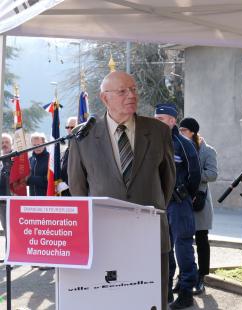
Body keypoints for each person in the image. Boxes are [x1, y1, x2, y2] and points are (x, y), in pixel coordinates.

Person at [68, 71, 176, 310]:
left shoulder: (158, 131)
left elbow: (168, 181)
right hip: (104, 237)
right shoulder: (83, 137)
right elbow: (78, 188)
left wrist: (151, 210)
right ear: (105, 98)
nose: (131, 95)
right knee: (109, 302)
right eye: (122, 91)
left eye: (134, 89)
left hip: (150, 236)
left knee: (151, 302)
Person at [154, 104, 201, 309]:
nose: (157, 122)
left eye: (162, 118)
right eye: (156, 118)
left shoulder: (183, 144)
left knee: (182, 246)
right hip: (157, 204)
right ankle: (165, 291)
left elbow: (195, 174)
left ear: (173, 121)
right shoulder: (149, 142)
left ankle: (186, 291)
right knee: (162, 248)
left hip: (179, 202)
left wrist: (185, 194)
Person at [179, 117, 218, 295]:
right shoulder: (178, 147)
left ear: (193, 132)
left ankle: (201, 278)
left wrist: (194, 174)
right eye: (179, 130)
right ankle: (185, 277)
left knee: (201, 240)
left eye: (184, 130)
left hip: (200, 200)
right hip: (181, 199)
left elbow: (212, 174)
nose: (181, 133)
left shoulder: (208, 151)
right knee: (182, 241)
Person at [0, 133, 14, 248]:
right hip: (1, 202)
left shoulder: (16, 159)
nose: (4, 145)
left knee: (12, 229)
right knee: (5, 228)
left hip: (12, 200)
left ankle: (11, 256)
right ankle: (8, 253)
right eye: (2, 142)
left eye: (6, 142)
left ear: (11, 144)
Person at [59, 116, 77, 196]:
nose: (69, 129)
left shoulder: (82, 146)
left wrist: (67, 183)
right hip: (65, 192)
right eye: (67, 127)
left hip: (76, 191)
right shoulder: (68, 147)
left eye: (72, 127)